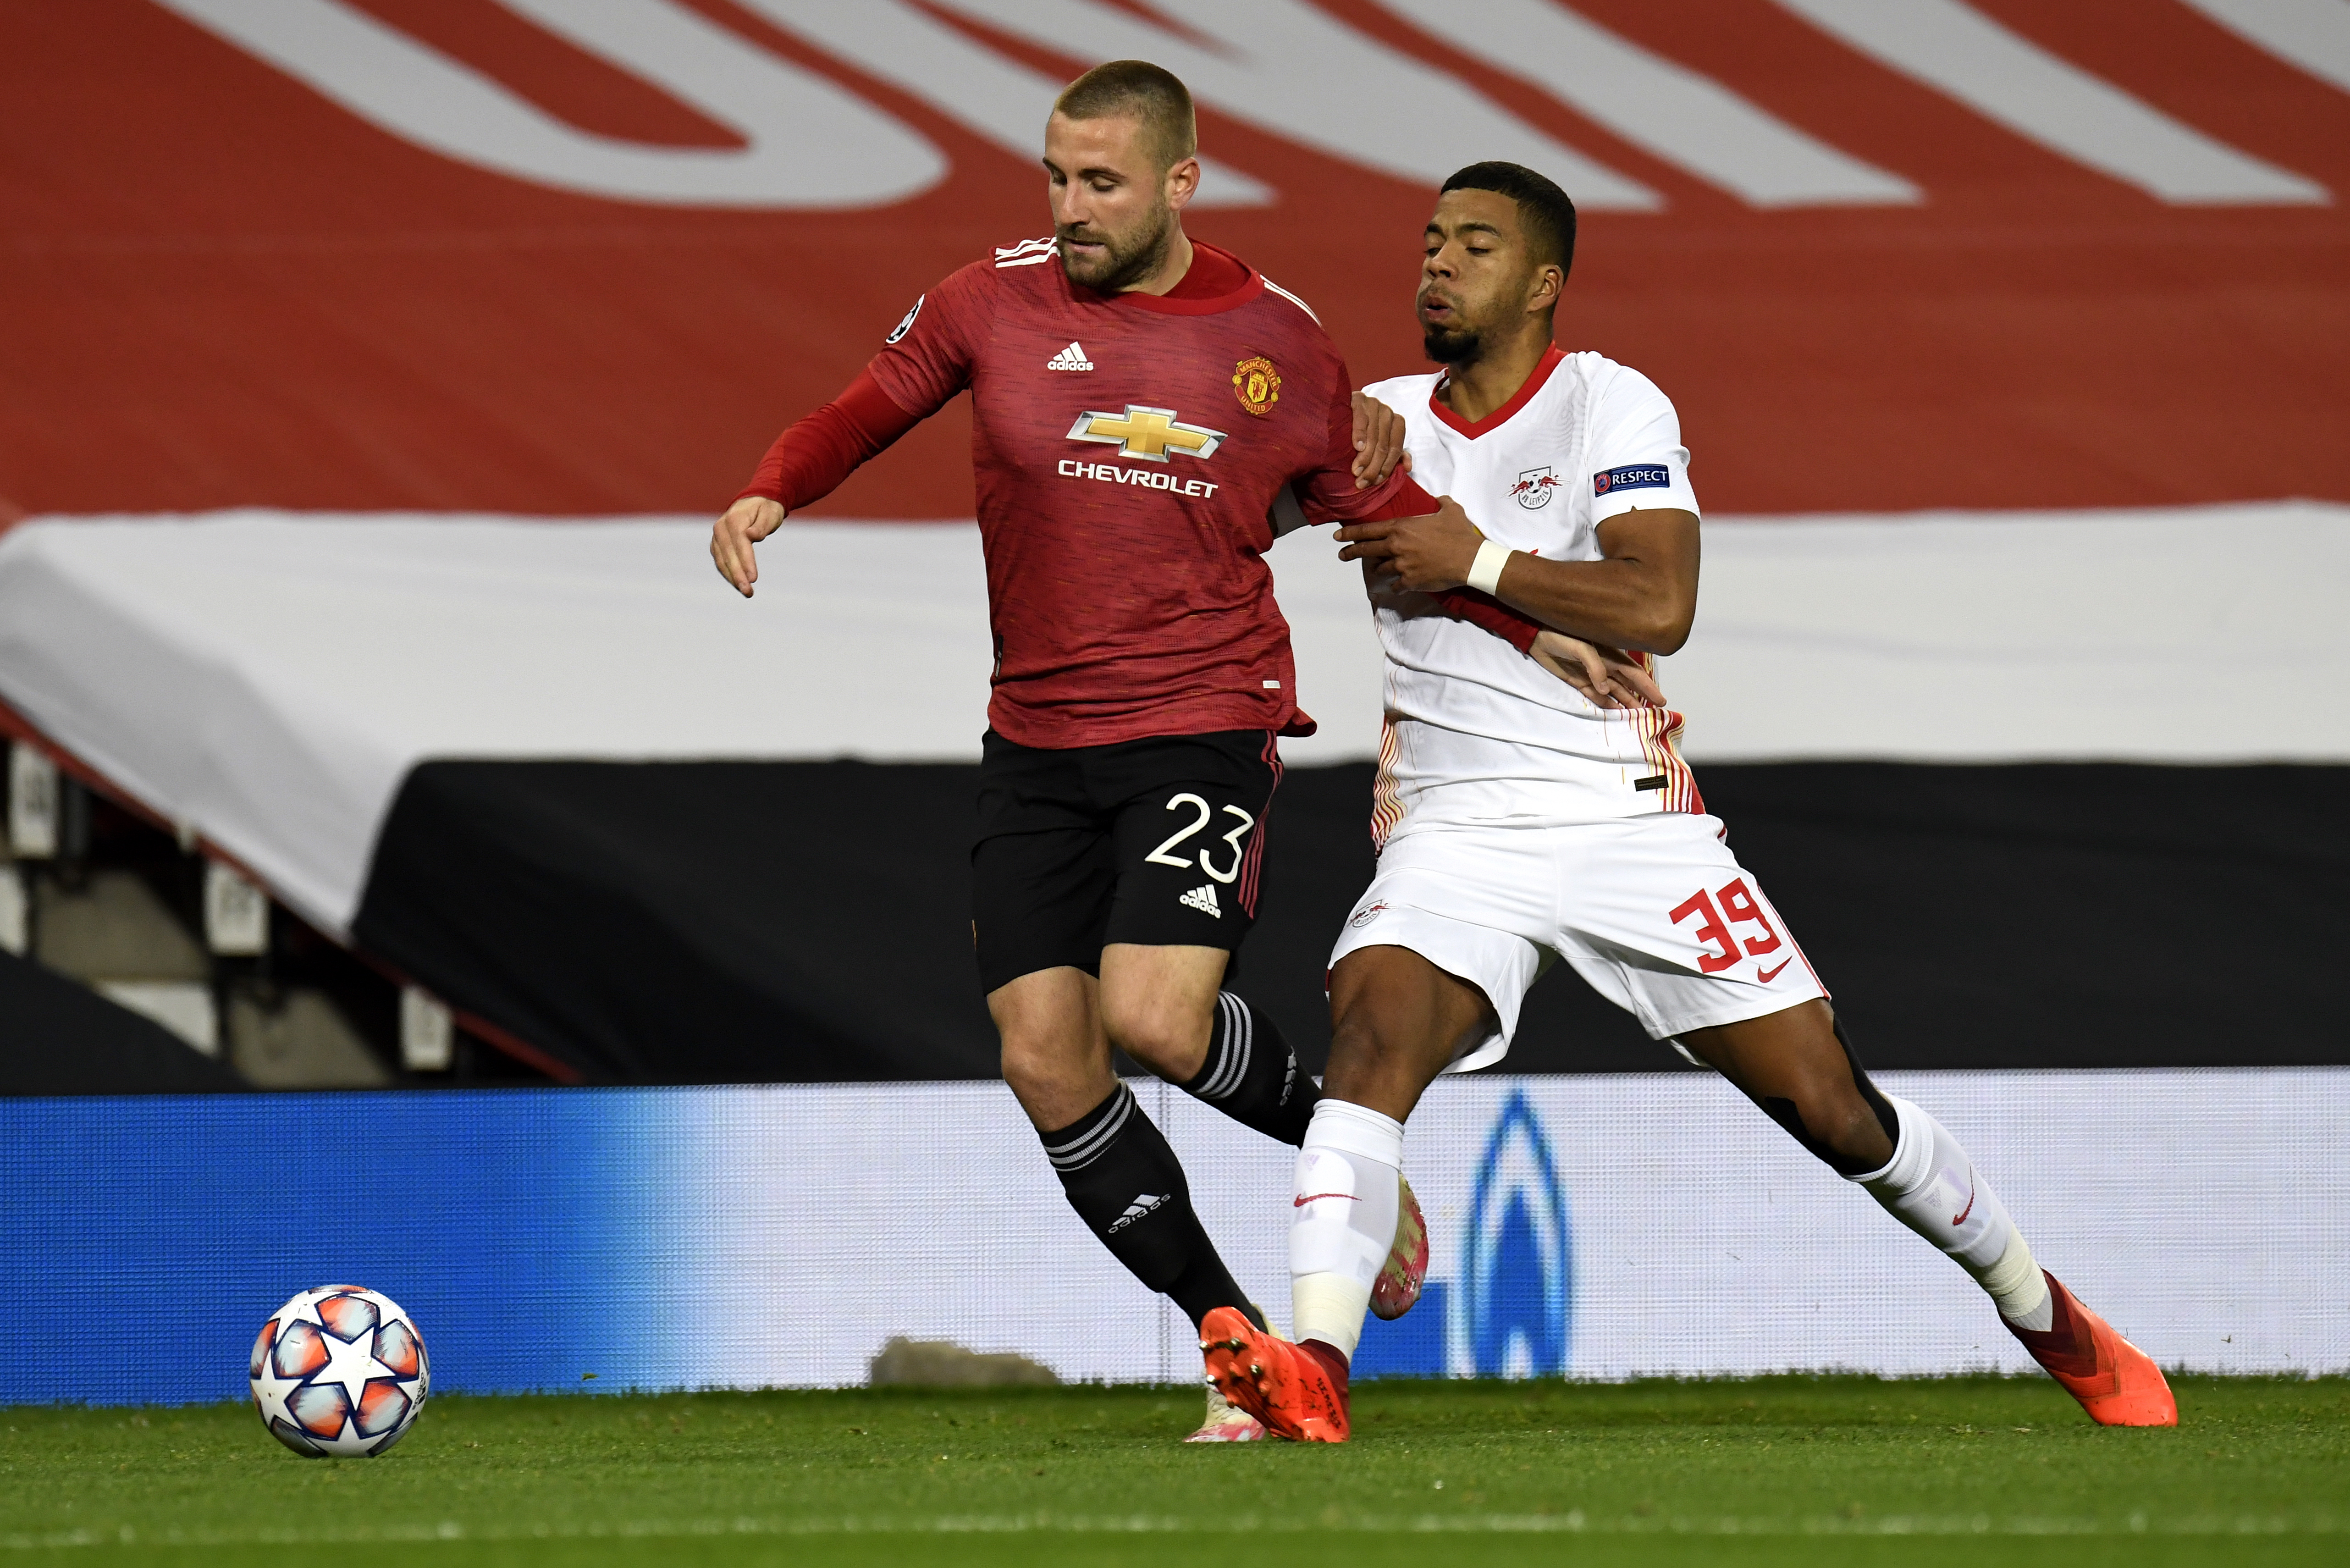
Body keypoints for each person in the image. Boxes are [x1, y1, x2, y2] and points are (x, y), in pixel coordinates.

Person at [1201, 161, 2178, 1441]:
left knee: (1833, 1107)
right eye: (1432, 242)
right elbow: (1213, 496)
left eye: (1476, 247)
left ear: (1543, 282)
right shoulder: (1377, 417)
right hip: (1454, 825)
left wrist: (1472, 556)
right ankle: (1314, 1373)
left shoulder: (1611, 403)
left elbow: (1659, 604)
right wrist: (1293, 425)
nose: (1437, 266)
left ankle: (2040, 1305)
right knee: (1369, 1052)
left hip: (1629, 820)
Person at [708, 62, 1551, 1441]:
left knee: (1153, 1015)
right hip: (1035, 738)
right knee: (1046, 1057)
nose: (1069, 206)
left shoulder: (1273, 338)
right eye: (1054, 175)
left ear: (1179, 182)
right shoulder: (991, 299)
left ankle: (1358, 1163)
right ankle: (1239, 1343)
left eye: (1100, 182)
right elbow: (869, 402)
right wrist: (771, 484)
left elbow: (1388, 512)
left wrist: (1539, 619)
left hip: (1203, 715)